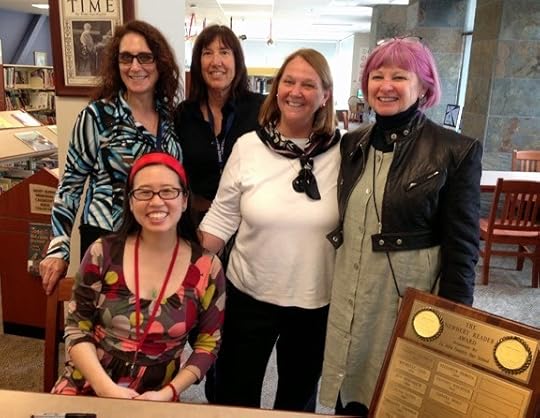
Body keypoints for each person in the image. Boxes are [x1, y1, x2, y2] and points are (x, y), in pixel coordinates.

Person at [319, 36, 482, 416]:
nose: (385, 86)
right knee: (351, 390)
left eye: (399, 76)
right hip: (351, 290)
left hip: (404, 296)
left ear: (424, 86)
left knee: (400, 393)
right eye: (377, 76)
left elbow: (463, 247)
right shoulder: (353, 143)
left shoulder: (454, 150)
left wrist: (452, 320)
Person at [199, 48, 341, 411]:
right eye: (288, 81)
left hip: (314, 299)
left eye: (308, 84)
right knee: (235, 394)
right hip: (249, 294)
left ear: (325, 95)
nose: (296, 91)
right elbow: (221, 217)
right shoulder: (248, 147)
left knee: (297, 401)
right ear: (276, 89)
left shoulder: (344, 152)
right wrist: (178, 262)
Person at [51, 152, 225, 400]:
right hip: (89, 383)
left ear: (185, 199)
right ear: (131, 202)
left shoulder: (207, 267)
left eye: (168, 191)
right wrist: (105, 388)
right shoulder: (103, 252)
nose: (156, 201)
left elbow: (208, 344)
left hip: (158, 395)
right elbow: (78, 327)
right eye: (144, 192)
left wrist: (169, 392)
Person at [40, 20, 182, 295]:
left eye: (145, 57)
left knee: (150, 314)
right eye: (126, 58)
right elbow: (70, 187)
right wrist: (58, 249)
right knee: (107, 318)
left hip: (158, 238)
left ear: (160, 63)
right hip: (106, 240)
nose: (135, 67)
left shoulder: (170, 117)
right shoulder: (97, 117)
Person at [174, 24, 264, 224]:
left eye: (224, 52)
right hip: (196, 221)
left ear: (237, 61)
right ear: (198, 63)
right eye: (207, 53)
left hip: (249, 223)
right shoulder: (183, 114)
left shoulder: (261, 109)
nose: (216, 62)